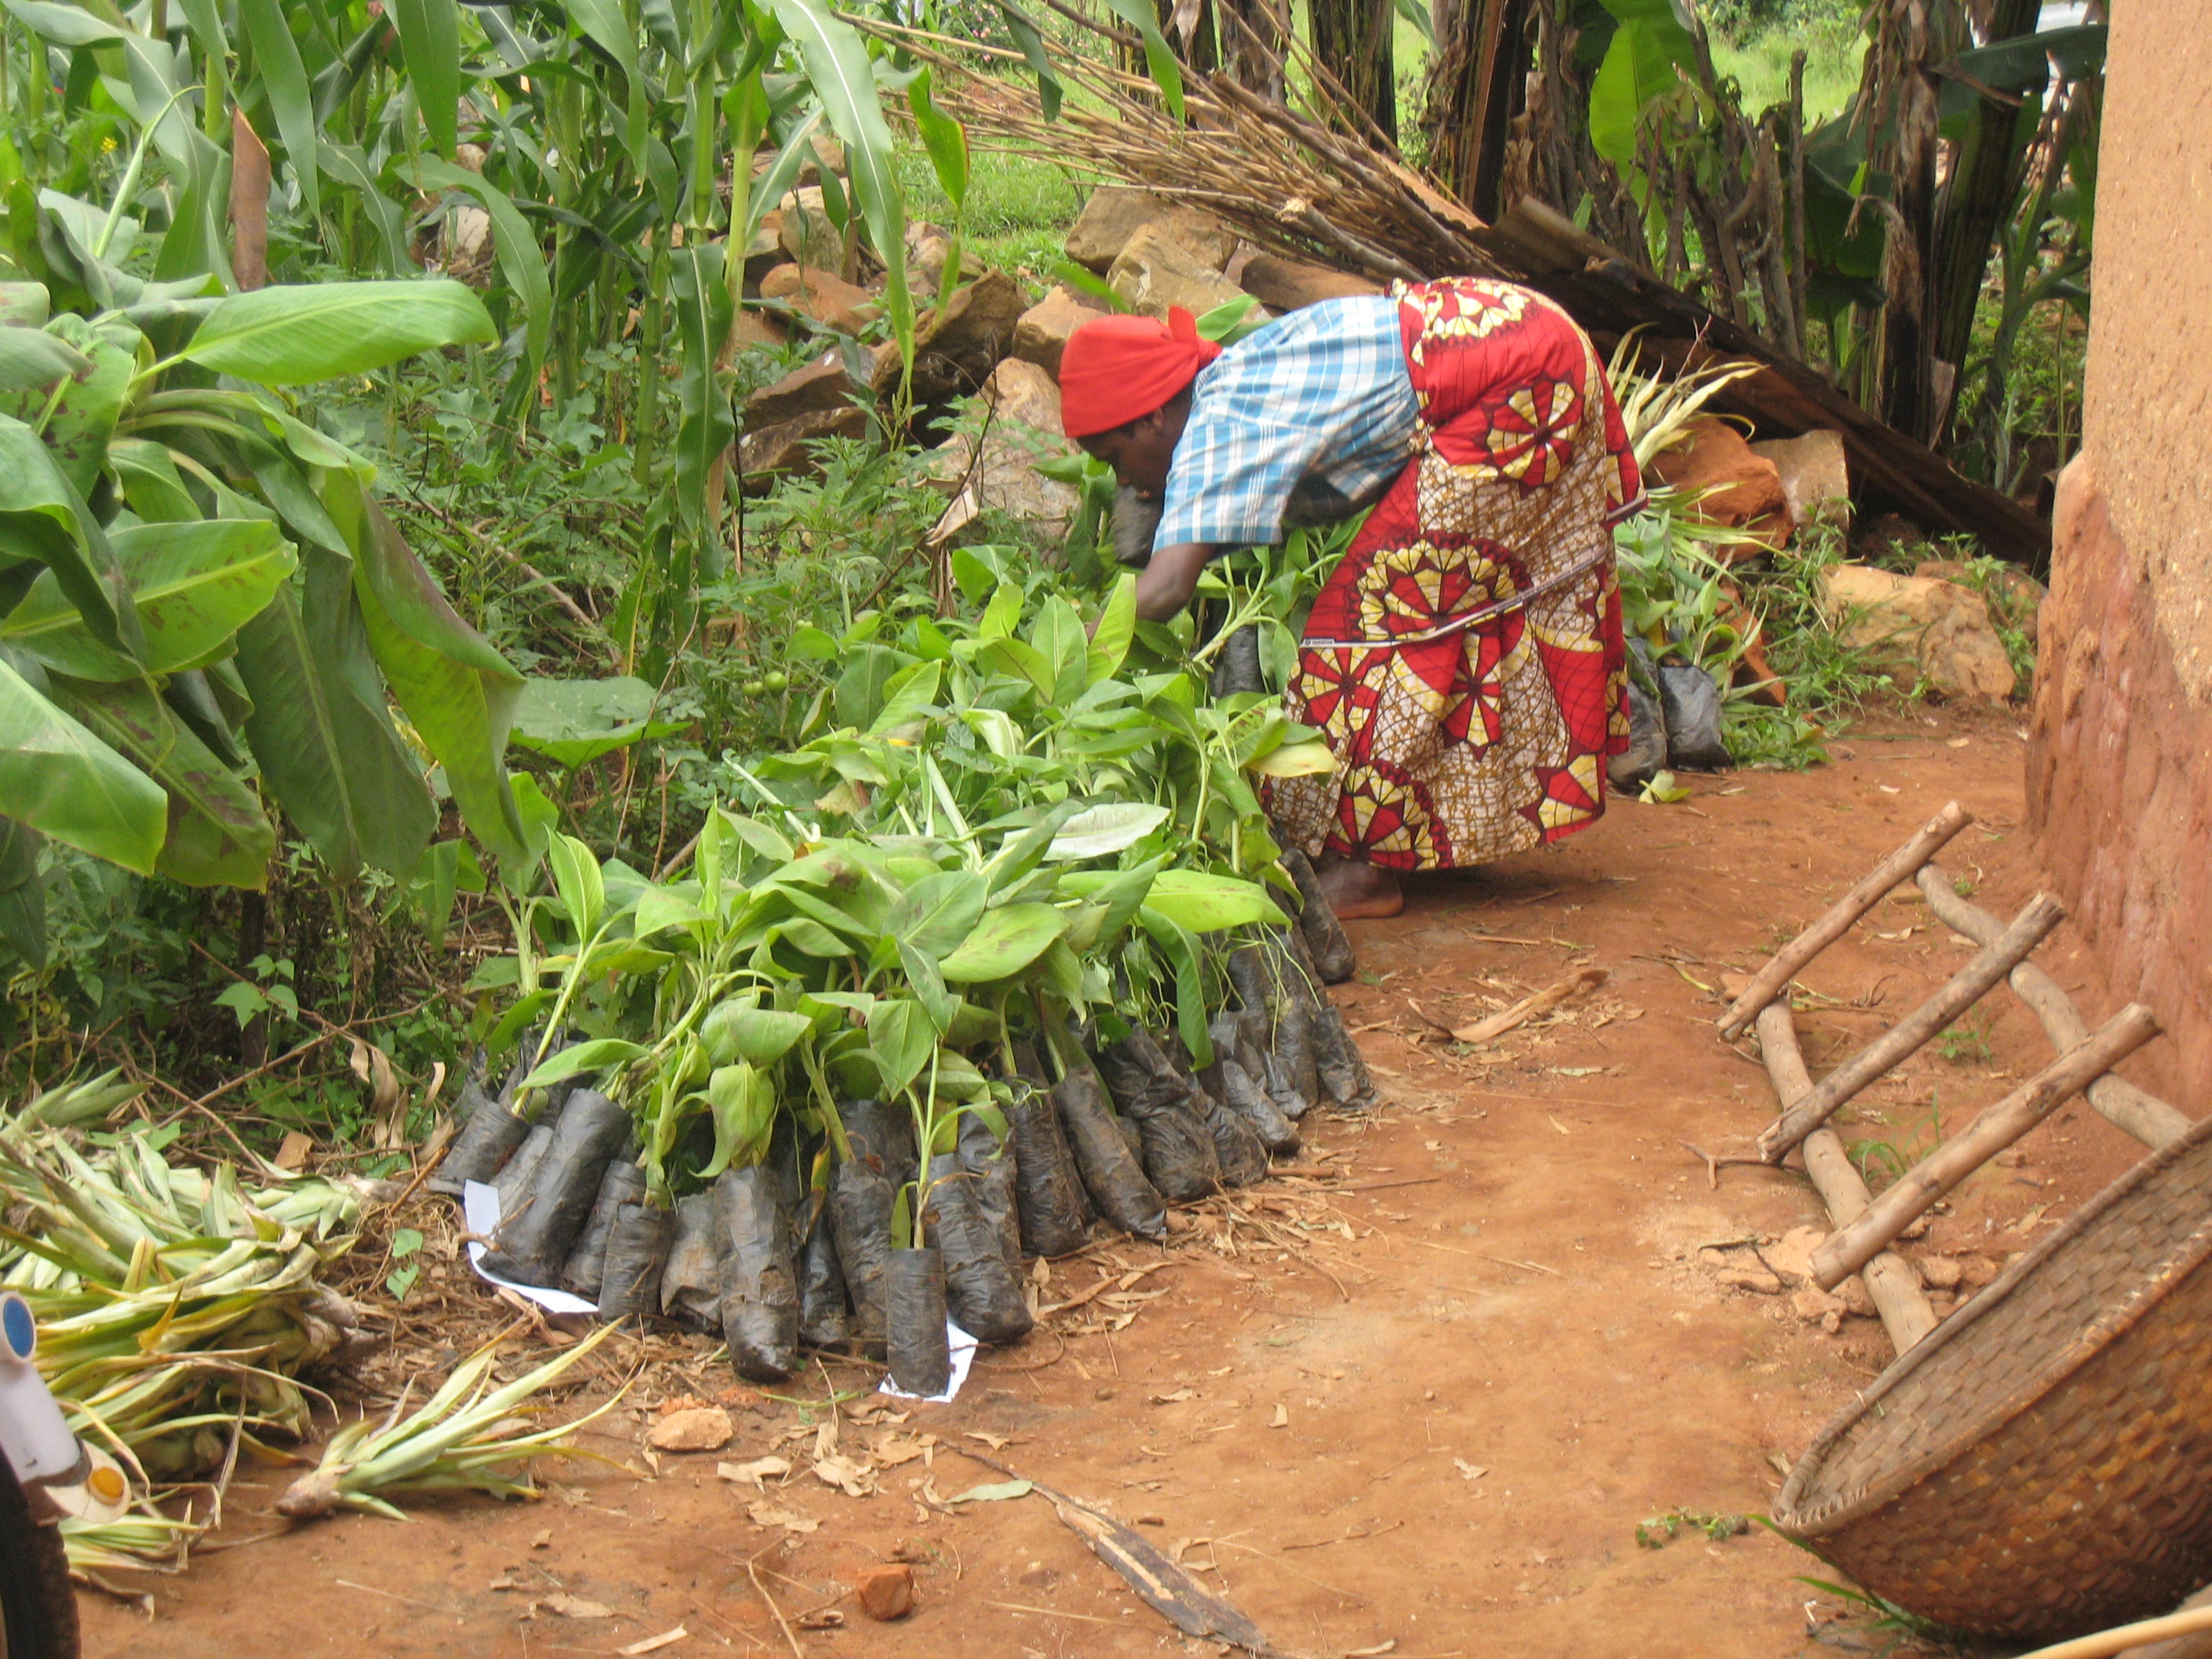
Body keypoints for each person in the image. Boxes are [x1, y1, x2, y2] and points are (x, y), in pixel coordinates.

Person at [1057, 278, 1645, 920]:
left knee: (1377, 616)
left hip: (1515, 378)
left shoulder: (1218, 424)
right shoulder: (1230, 380)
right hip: (1514, 332)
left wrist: (1065, 646)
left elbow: (1168, 588)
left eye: (1116, 458)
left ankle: (1367, 873)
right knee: (1449, 609)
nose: (1124, 482)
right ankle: (1423, 838)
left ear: (1152, 417)